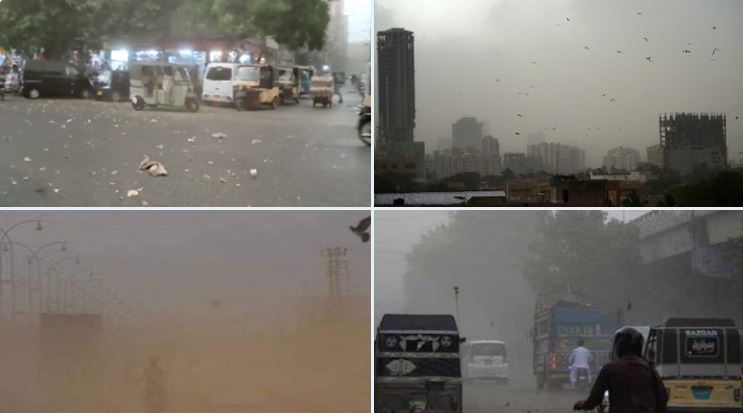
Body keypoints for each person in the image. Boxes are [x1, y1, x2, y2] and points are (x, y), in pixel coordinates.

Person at [573, 327, 668, 413]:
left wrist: (582, 405)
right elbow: (662, 397)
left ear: (619, 347)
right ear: (639, 347)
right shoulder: (649, 370)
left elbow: (595, 398)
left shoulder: (610, 369)